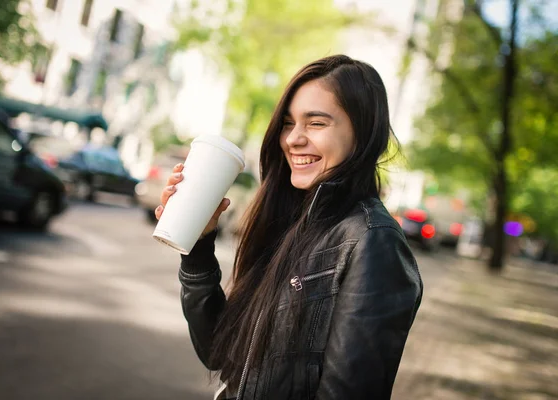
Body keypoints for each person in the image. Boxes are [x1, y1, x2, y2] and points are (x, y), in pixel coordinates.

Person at [155, 55, 424, 400]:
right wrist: (199, 244)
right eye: (287, 123)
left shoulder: (373, 241)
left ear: (363, 131)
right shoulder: (291, 221)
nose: (293, 139)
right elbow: (218, 353)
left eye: (316, 123)